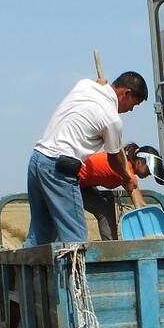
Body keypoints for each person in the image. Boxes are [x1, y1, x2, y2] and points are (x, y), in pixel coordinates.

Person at [24, 70, 148, 247]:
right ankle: (75, 276)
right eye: (133, 104)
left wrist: (100, 84)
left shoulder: (84, 85)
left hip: (37, 160)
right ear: (126, 93)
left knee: (39, 236)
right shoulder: (112, 120)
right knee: (76, 240)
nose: (130, 110)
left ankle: (26, 275)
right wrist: (127, 178)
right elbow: (114, 160)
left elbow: (98, 88)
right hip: (60, 168)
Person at [79, 144, 164, 241]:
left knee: (104, 210)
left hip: (83, 185)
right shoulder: (126, 172)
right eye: (149, 170)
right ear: (139, 162)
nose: (149, 174)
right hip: (69, 182)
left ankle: (111, 248)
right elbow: (141, 205)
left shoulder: (125, 166)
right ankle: (111, 250)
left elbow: (140, 202)